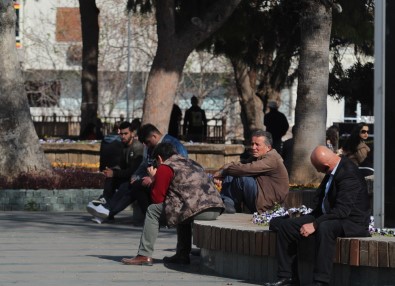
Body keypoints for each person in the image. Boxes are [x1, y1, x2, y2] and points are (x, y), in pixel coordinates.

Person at [264, 146, 370, 286]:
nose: (317, 171)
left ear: (326, 166)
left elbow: (342, 211)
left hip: (352, 221)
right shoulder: (333, 168)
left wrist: (315, 224)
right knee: (286, 226)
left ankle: (320, 281)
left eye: (318, 168)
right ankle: (287, 277)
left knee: (325, 227)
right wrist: (309, 219)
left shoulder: (349, 174)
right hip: (329, 215)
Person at [121, 142, 224, 266]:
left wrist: (154, 179)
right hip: (215, 208)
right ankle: (182, 255)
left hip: (200, 209)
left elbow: (157, 199)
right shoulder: (191, 162)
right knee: (181, 209)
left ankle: (144, 254)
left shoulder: (165, 167)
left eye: (156, 162)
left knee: (153, 210)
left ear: (159, 158)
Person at [86, 124, 188, 221]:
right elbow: (145, 164)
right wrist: (136, 175)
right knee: (129, 184)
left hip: (171, 184)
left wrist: (154, 178)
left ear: (154, 136)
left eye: (147, 142)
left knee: (137, 187)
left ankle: (150, 218)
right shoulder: (150, 147)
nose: (146, 145)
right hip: (153, 179)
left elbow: (180, 169)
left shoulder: (173, 145)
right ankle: (107, 210)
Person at [213, 130, 289, 214]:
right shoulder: (258, 156)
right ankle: (228, 204)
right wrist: (222, 170)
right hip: (261, 196)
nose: (253, 147)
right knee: (233, 172)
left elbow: (244, 169)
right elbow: (239, 165)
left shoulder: (272, 159)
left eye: (257, 145)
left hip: (268, 204)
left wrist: (223, 172)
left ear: (268, 147)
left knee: (241, 177)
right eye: (252, 144)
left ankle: (229, 204)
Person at [89, 121, 144, 223]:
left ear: (132, 133)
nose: (123, 136)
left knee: (125, 187)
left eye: (125, 134)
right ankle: (103, 203)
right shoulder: (124, 146)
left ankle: (108, 211)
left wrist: (115, 173)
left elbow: (133, 171)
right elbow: (122, 167)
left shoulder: (138, 148)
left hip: (136, 179)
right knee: (110, 178)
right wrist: (112, 171)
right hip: (128, 176)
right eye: (121, 134)